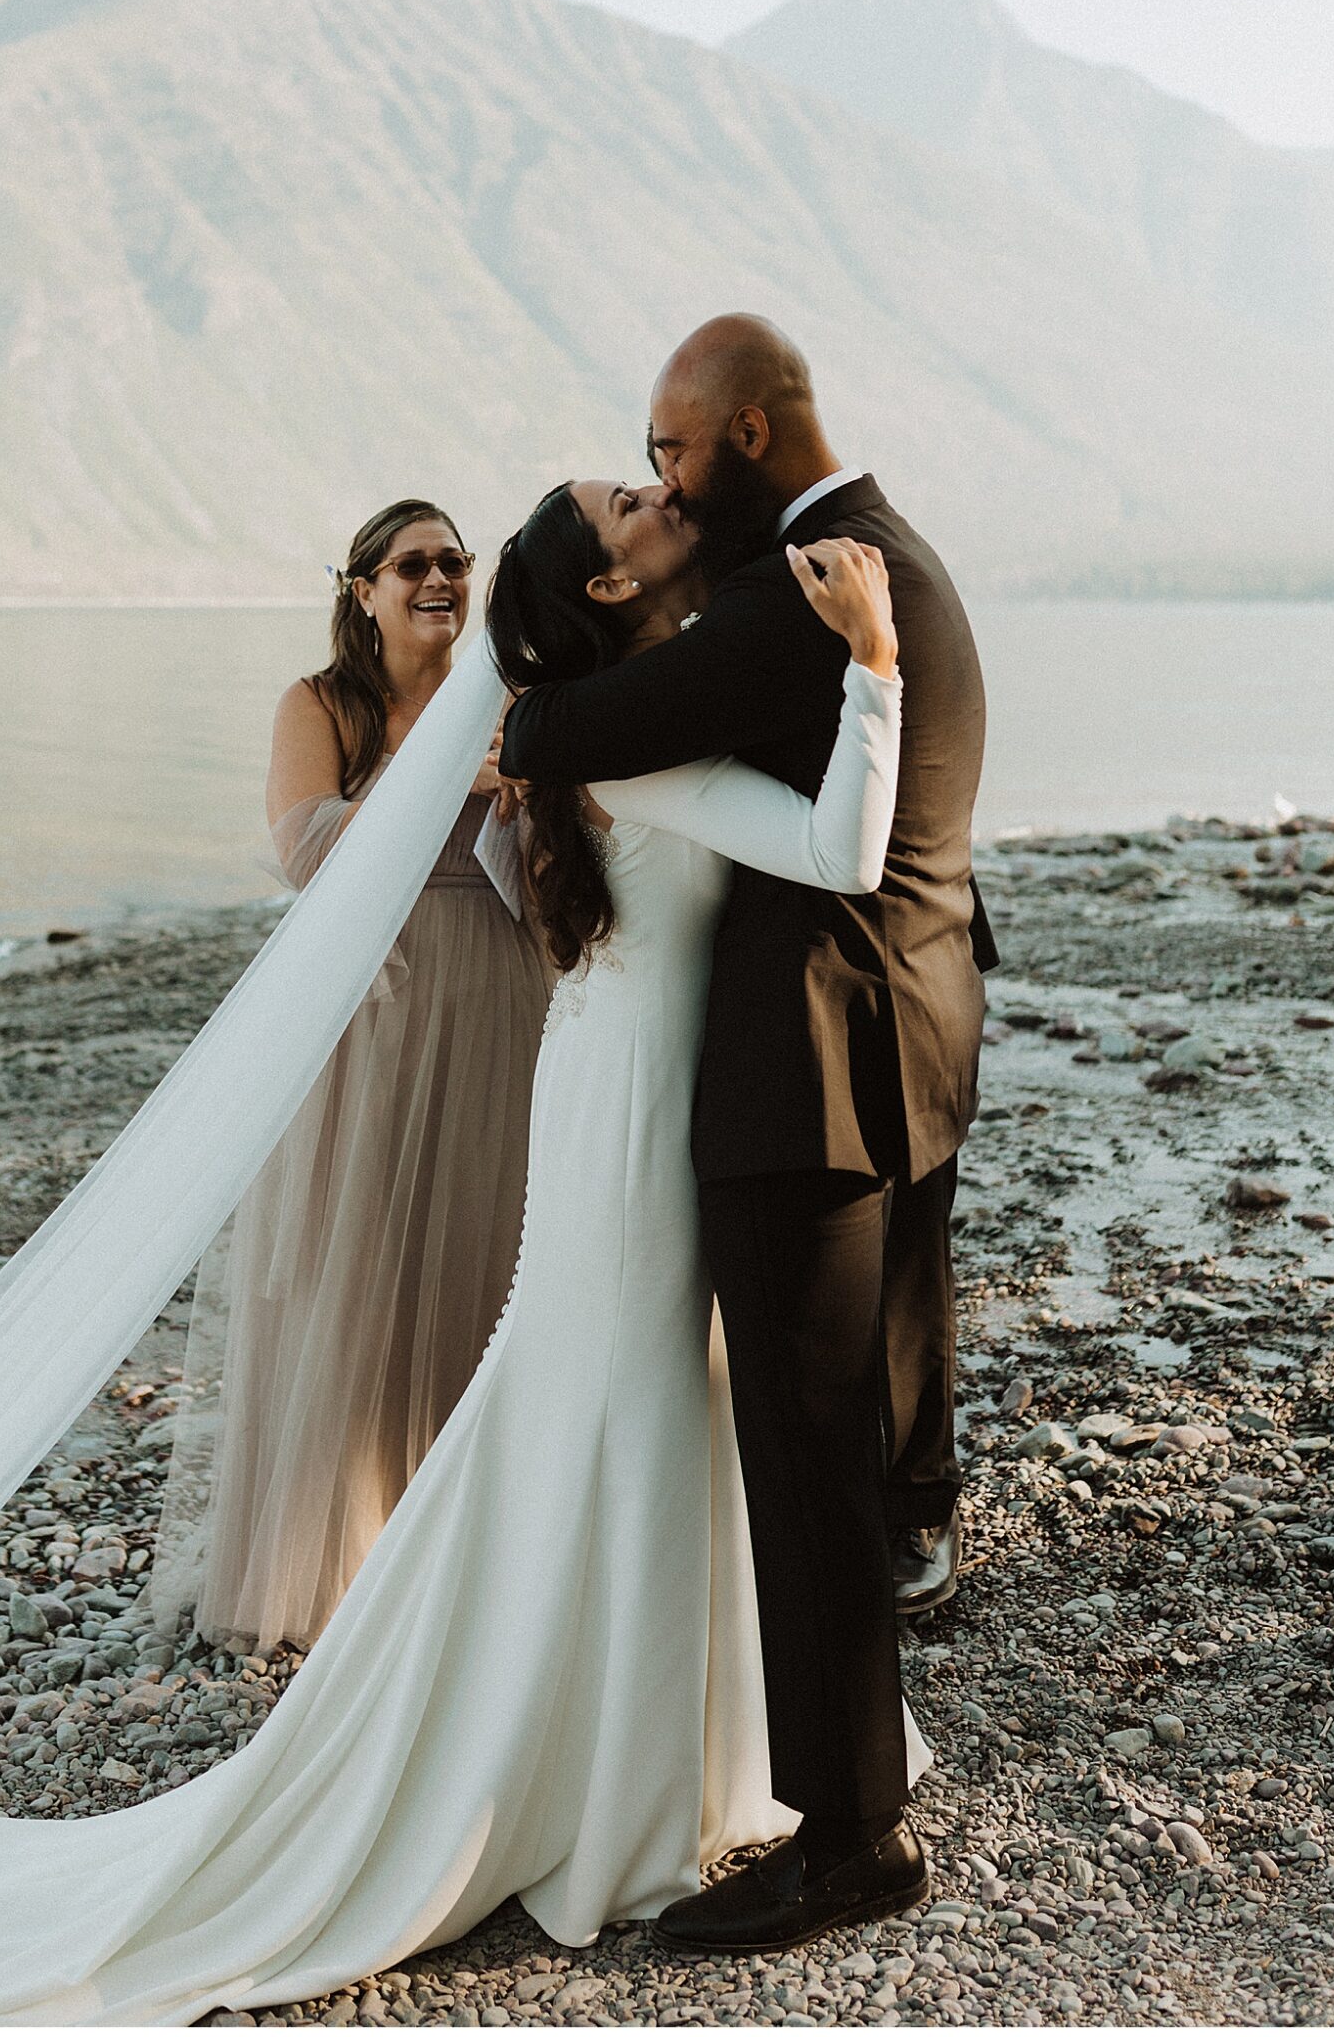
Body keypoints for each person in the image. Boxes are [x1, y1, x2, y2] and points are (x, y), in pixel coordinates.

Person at [0, 483, 924, 2025]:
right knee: (624, 1409)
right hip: (631, 1104)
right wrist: (876, 662)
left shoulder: (586, 728)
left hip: (614, 1082)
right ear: (598, 589)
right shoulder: (615, 741)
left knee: (620, 1405)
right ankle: (602, 1779)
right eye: (625, 501)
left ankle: (653, 1745)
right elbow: (840, 850)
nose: (652, 496)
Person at [502, 315, 996, 1956]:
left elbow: (584, 729)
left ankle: (847, 1843)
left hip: (814, 1073)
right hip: (882, 1039)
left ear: (760, 432)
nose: (662, 480)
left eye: (672, 451)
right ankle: (825, 1795)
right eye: (643, 469)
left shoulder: (810, 579)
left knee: (799, 1453)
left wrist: (520, 730)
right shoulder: (870, 552)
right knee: (818, 1438)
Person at [149, 498, 555, 1652]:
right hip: (368, 1010)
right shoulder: (320, 704)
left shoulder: (512, 696)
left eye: (455, 562)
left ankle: (464, 1552)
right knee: (361, 1265)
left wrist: (525, 797)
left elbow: (552, 862)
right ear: (364, 587)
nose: (440, 578)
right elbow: (305, 847)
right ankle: (330, 1561)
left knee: (486, 1254)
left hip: (497, 995)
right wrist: (439, 779)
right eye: (414, 562)